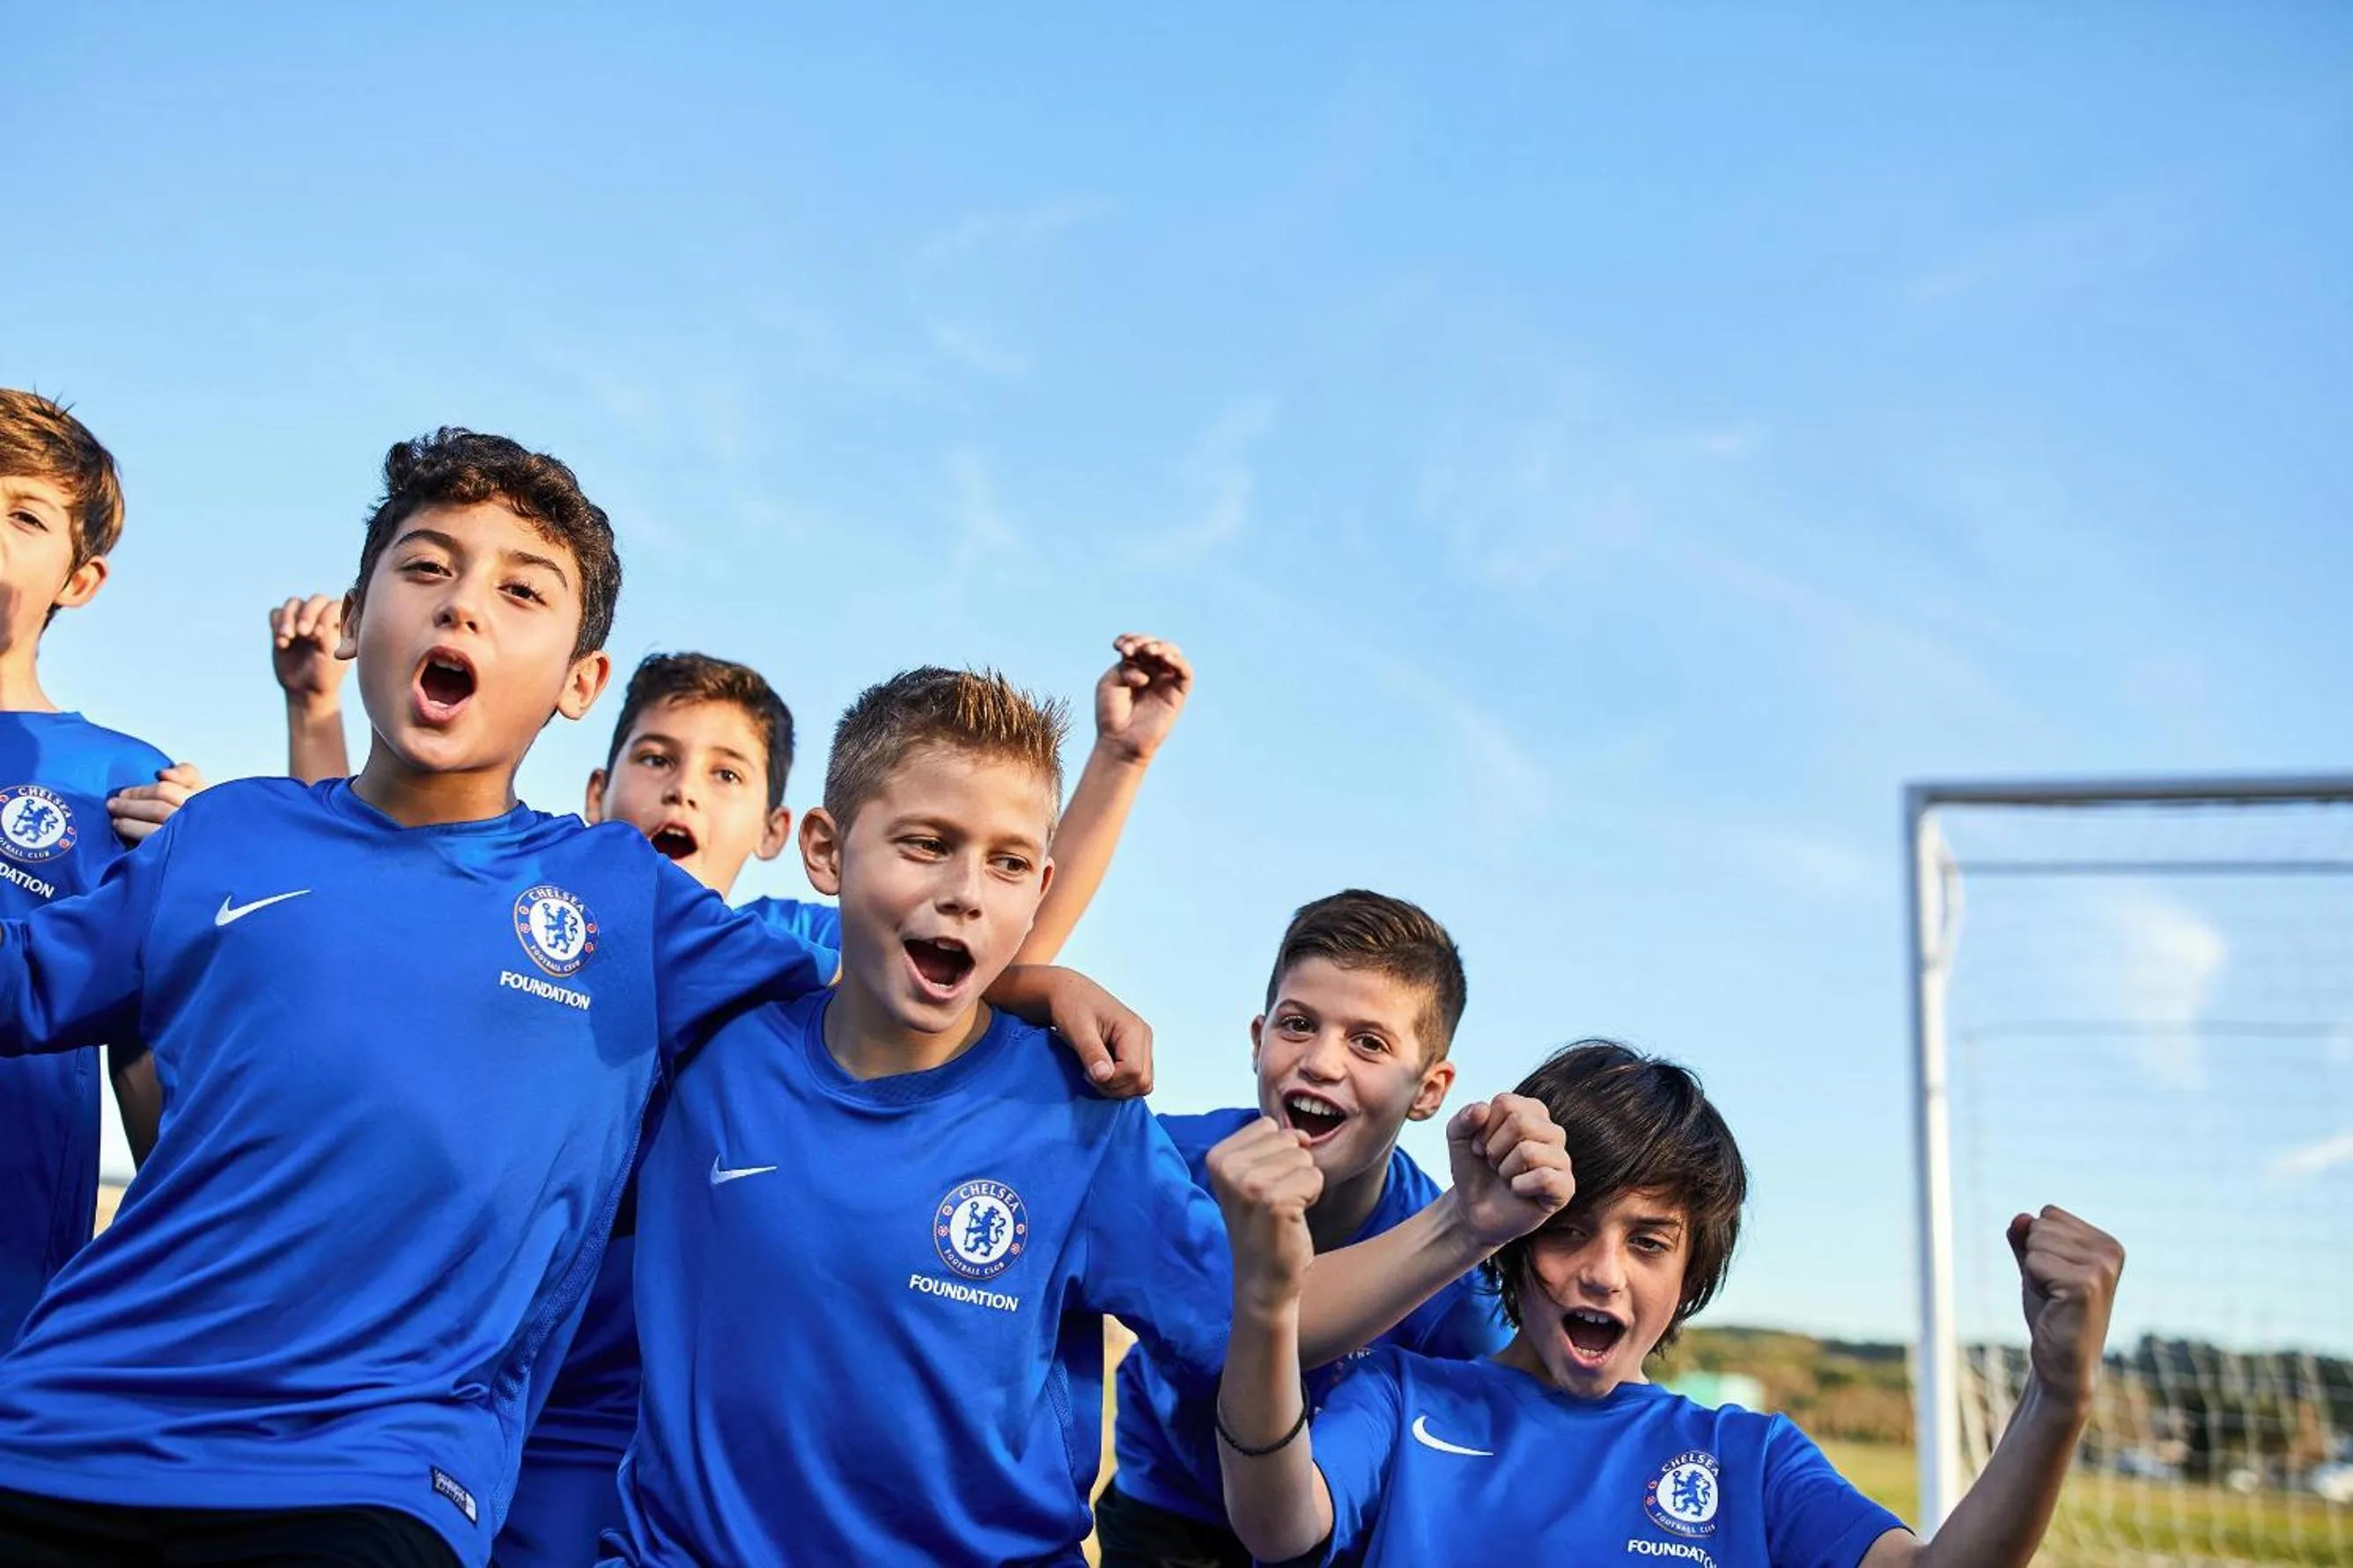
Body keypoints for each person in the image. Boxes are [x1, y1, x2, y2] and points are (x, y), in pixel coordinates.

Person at [0, 430, 1140, 1568]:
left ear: (577, 681)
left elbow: (906, 978)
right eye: (427, 568)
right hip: (63, 1424)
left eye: (520, 591)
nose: (462, 611)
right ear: (361, 612)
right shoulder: (224, 835)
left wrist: (1040, 979)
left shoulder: (631, 906)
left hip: (368, 1472)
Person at [603, 666, 1575, 1566]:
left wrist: (1468, 1221)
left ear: (1037, 888)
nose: (963, 892)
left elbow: (1256, 1319)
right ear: (823, 848)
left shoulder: (1080, 1113)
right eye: (925, 843)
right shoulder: (705, 1027)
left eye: (1010, 862)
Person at [495, 638, 1191, 1568]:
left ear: (786, 832)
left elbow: (953, 948)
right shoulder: (556, 937)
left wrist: (1112, 778)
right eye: (655, 757)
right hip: (530, 1416)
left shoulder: (771, 953)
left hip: (655, 1443)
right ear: (596, 789)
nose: (683, 792)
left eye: (724, 771)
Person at [1214, 1039, 2128, 1567]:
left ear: (1690, 1275)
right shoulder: (1400, 1398)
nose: (1604, 1271)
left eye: (1647, 1241)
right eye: (1570, 1227)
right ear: (1517, 1233)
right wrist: (1265, 1302)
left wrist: (2056, 1396)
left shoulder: (1749, 1458)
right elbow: (1273, 1520)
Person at [1101, 890, 1506, 1567]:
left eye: (1369, 1042)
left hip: (1332, 1535)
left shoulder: (1457, 1287)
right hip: (1163, 1509)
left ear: (1430, 1090)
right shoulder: (1167, 1168)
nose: (1321, 1061)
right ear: (1258, 1041)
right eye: (1297, 1025)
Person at [0, 390, 201, 1342]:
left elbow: (159, 1102)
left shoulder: (120, 782)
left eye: (22, 513)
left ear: (79, 581)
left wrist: (202, 892)